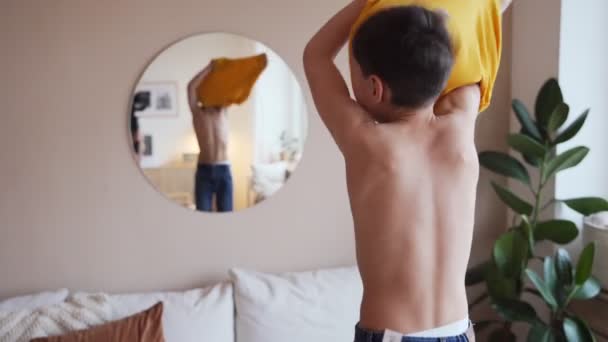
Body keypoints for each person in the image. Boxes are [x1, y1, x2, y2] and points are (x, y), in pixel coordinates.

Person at [303, 0, 511, 340]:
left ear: (375, 87)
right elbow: (476, 19)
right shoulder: (461, 127)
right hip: (460, 331)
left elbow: (316, 55)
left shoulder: (368, 144)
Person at [187, 63, 234, 212]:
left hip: (224, 169)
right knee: (202, 214)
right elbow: (191, 87)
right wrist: (209, 68)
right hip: (204, 171)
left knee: (227, 215)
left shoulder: (223, 111)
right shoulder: (198, 113)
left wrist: (220, 70)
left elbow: (229, 86)